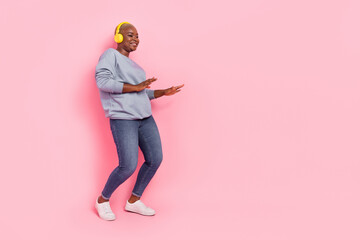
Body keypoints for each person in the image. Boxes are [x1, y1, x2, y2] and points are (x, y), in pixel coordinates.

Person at [94, 22, 184, 221]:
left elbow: (141, 92)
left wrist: (162, 92)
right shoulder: (110, 56)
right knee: (127, 166)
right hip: (123, 119)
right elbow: (102, 81)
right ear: (119, 37)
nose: (135, 39)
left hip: (145, 118)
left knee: (155, 159)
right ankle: (102, 200)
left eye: (137, 36)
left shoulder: (137, 67)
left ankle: (133, 201)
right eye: (130, 35)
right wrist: (135, 87)